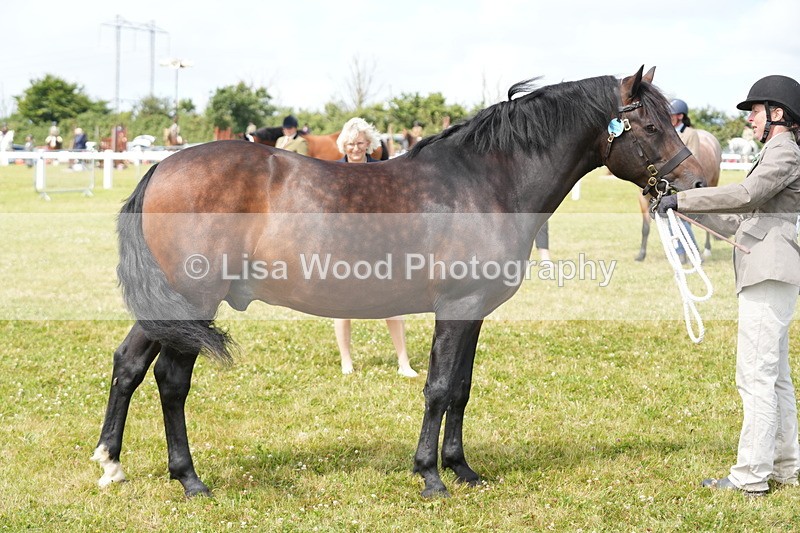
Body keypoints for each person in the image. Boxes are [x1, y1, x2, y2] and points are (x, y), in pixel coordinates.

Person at [657, 75, 800, 496]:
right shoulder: (776, 152)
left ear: (777, 113)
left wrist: (684, 199)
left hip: (769, 271)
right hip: (768, 269)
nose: (750, 120)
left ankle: (750, 476)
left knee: (754, 375)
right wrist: (684, 208)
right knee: (775, 377)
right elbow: (739, 221)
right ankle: (786, 465)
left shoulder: (784, 152)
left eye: (754, 112)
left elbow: (746, 194)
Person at [333, 117, 417, 377]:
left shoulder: (382, 171)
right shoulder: (333, 172)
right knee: (342, 305)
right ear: (343, 144)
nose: (355, 148)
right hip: (345, 246)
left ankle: (404, 363)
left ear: (368, 143)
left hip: (379, 245)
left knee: (391, 303)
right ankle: (346, 361)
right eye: (350, 143)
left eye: (360, 143)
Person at [668, 99, 701, 262]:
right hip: (669, 182)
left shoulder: (690, 134)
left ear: (680, 116)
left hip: (684, 181)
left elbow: (693, 158)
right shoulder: (667, 133)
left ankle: (694, 252)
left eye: (671, 114)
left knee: (682, 219)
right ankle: (680, 252)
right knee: (670, 218)